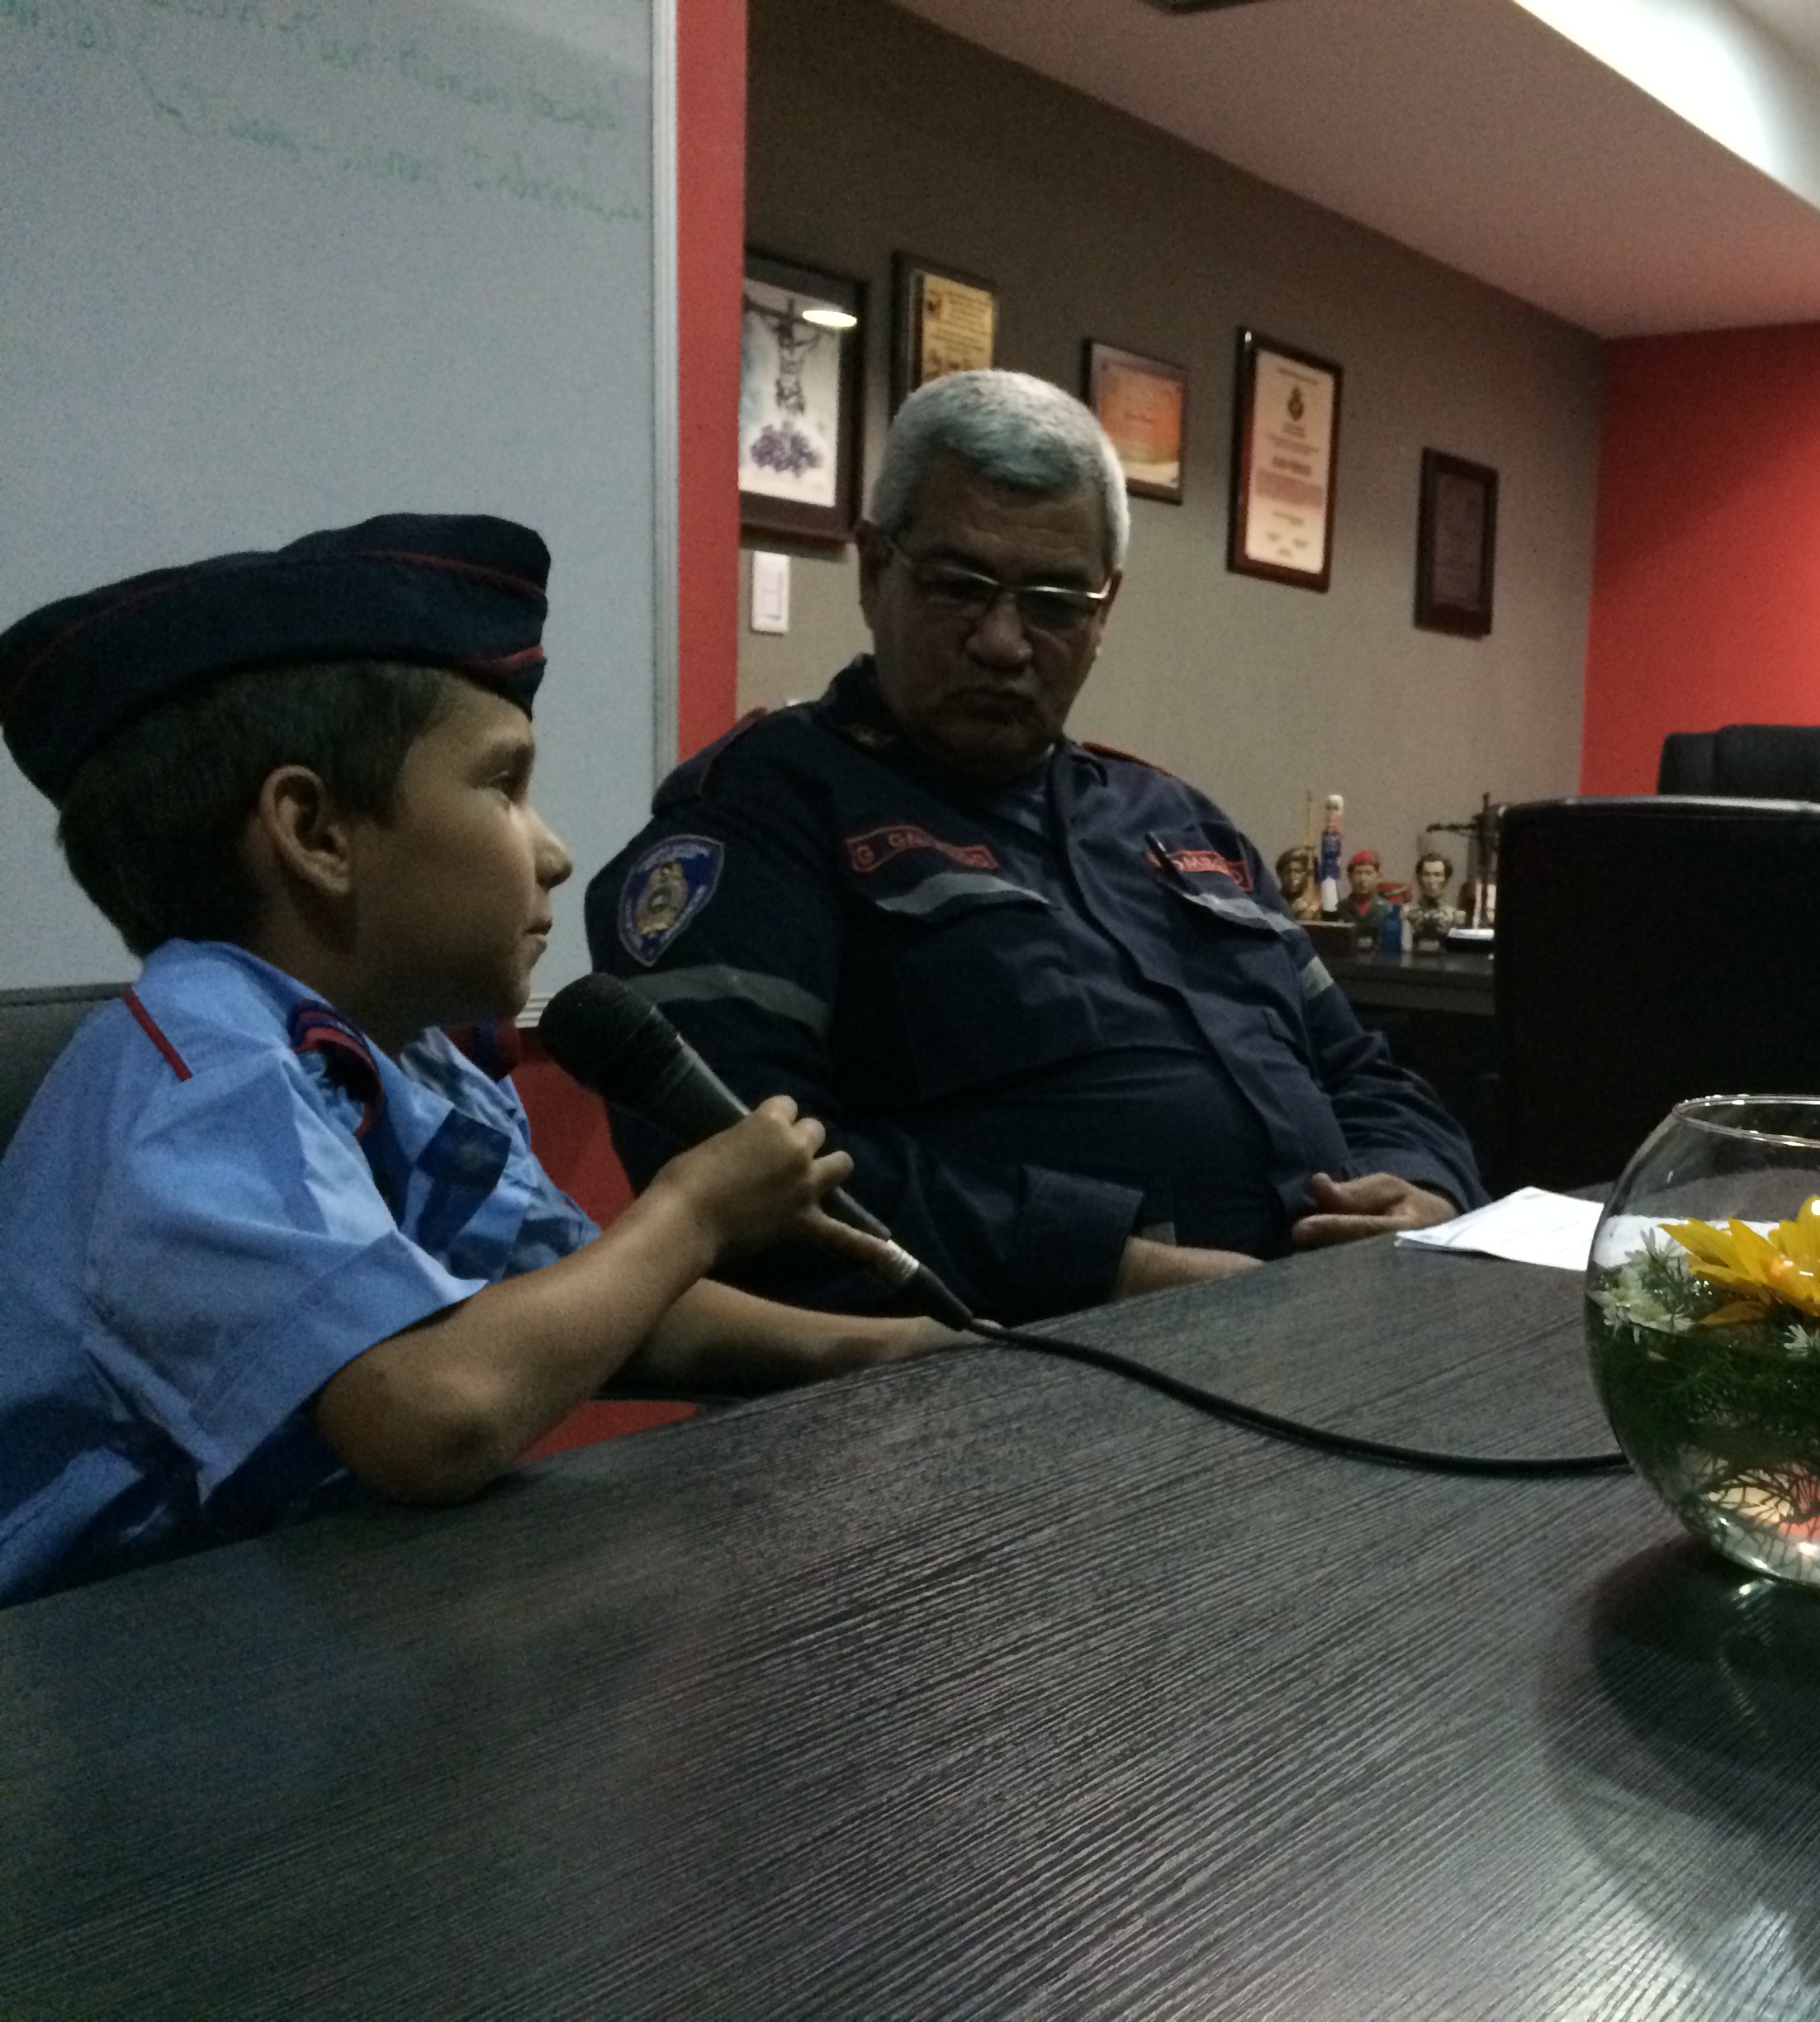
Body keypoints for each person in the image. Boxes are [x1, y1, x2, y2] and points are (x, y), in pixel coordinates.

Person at [0, 515, 955, 1606]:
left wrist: (875, 1347)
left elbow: (573, 1299)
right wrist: (691, 1215)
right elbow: (430, 1416)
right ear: (314, 831)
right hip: (77, 1684)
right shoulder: (205, 1075)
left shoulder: (406, 1059)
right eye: (504, 787)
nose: (552, 850)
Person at [586, 371, 1481, 1322]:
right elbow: (743, 1185)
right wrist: (1103, 1265)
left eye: (1055, 600)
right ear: (874, 570)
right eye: (959, 587)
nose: (1004, 642)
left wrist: (1421, 1189)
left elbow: (1360, 1071)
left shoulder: (1180, 822)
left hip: (1328, 1328)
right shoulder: (762, 820)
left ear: (1106, 611)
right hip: (1006, 1376)